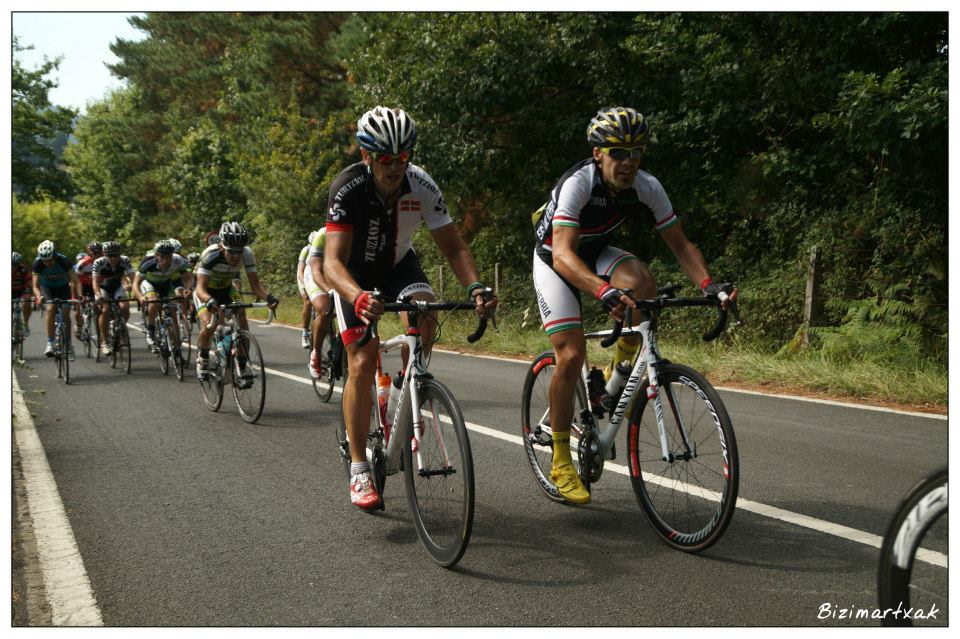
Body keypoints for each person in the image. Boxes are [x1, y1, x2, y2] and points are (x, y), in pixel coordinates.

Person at [531, 106, 735, 505]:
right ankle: (560, 458)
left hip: (596, 251)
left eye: (636, 153)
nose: (628, 162)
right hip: (555, 259)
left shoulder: (647, 186)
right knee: (571, 355)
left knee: (641, 282)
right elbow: (564, 256)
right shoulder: (579, 184)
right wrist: (601, 291)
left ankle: (617, 374)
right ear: (598, 154)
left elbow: (681, 245)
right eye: (618, 153)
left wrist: (709, 286)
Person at [324, 106, 498, 510]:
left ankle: (407, 390)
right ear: (366, 156)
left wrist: (475, 287)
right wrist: (357, 296)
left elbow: (454, 248)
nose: (394, 166)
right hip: (353, 274)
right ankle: (359, 468)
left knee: (426, 314)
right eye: (385, 158)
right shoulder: (347, 187)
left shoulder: (421, 184)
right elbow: (331, 263)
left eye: (402, 156)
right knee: (363, 359)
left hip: (399, 265)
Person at [193, 221, 279, 379]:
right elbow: (200, 288)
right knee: (210, 324)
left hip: (227, 289)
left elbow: (255, 285)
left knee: (241, 316)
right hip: (206, 292)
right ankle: (203, 357)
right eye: (231, 251)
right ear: (222, 246)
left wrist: (268, 297)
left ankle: (242, 365)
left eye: (239, 251)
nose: (236, 256)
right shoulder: (210, 254)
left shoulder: (247, 254)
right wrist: (210, 300)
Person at [132, 240, 194, 350]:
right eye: (162, 257)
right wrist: (141, 297)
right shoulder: (148, 261)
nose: (165, 261)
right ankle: (151, 330)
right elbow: (135, 284)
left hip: (166, 283)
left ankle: (176, 347)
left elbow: (188, 278)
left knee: (173, 311)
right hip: (149, 283)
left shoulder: (178, 260)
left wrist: (188, 289)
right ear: (156, 255)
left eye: (168, 257)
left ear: (172, 255)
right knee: (154, 302)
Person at [31, 240, 80, 359]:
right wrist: (39, 296)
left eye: (49, 260)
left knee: (66, 314)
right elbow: (35, 286)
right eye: (44, 260)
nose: (47, 263)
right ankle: (50, 343)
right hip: (47, 288)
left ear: (55, 256)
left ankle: (68, 345)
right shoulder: (37, 263)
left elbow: (76, 281)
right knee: (50, 308)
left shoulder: (63, 261)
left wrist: (78, 296)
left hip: (63, 288)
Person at [92, 241, 135, 356]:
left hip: (117, 287)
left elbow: (133, 278)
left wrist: (136, 291)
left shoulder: (125, 260)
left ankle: (120, 326)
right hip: (103, 288)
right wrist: (98, 295)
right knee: (105, 310)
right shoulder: (99, 262)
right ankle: (104, 342)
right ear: (104, 254)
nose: (114, 258)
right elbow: (95, 282)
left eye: (116, 255)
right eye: (110, 256)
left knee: (125, 306)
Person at [74, 241, 103, 337]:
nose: (98, 255)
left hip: (95, 285)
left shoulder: (103, 261)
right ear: (90, 254)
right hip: (82, 285)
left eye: (100, 253)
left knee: (97, 307)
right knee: (79, 306)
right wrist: (77, 296)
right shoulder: (82, 264)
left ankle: (99, 332)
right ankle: (78, 326)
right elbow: (75, 281)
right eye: (95, 253)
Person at [296, 232, 316, 349]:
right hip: (303, 276)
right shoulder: (306, 250)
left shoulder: (323, 248)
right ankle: (304, 332)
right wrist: (306, 284)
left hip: (316, 276)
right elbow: (300, 271)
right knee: (308, 301)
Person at [12, 252, 34, 336]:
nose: (13, 267)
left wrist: (34, 296)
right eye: (12, 264)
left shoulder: (23, 270)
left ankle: (25, 323)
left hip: (22, 290)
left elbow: (30, 283)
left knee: (27, 301)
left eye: (16, 264)